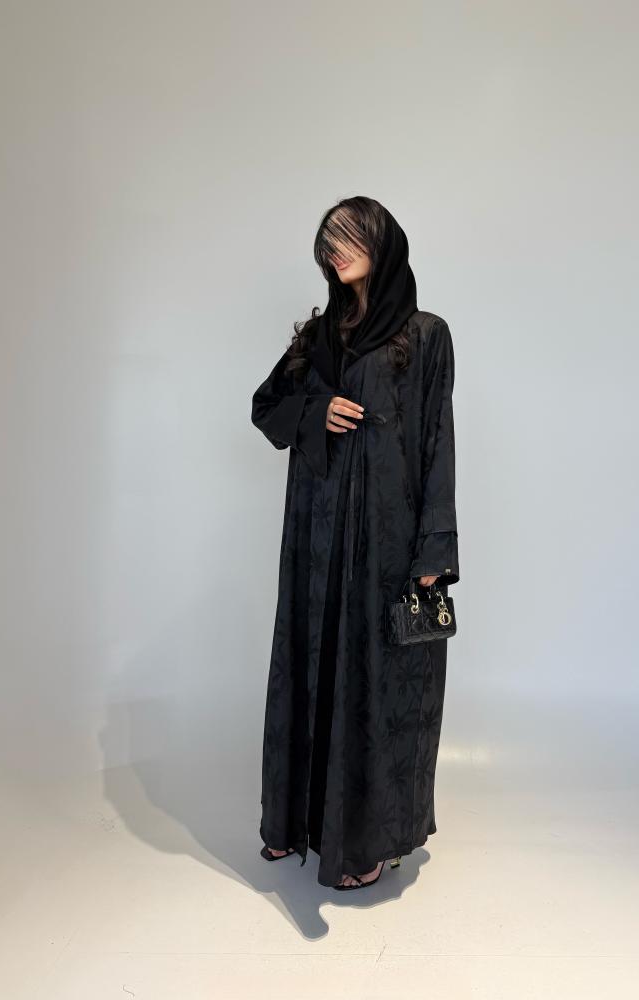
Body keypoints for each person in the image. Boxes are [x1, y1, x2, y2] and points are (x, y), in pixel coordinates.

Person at [251, 196, 459, 890]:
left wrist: (434, 550)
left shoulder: (425, 336)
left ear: (382, 242)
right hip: (316, 540)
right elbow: (266, 407)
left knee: (378, 683)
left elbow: (436, 442)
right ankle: (294, 825)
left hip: (386, 542)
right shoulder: (320, 336)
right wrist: (315, 409)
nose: (333, 250)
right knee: (312, 668)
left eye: (347, 237)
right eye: (327, 240)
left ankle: (367, 840)